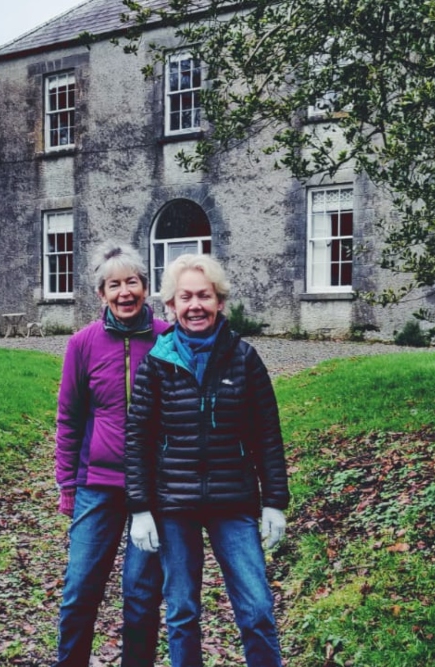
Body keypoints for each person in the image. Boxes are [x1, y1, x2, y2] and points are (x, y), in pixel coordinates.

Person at [124, 253, 290, 667]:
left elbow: (266, 435)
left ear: (219, 302)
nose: (195, 305)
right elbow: (138, 439)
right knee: (182, 613)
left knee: (257, 610)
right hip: (173, 505)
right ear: (171, 305)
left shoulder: (245, 359)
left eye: (204, 295)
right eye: (186, 297)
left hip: (233, 502)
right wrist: (140, 507)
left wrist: (274, 502)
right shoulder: (157, 364)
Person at [54, 242, 171, 667]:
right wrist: (67, 483)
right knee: (80, 591)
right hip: (97, 486)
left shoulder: (167, 339)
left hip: (154, 489)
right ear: (100, 294)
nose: (125, 292)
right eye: (114, 285)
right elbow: (69, 418)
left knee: (142, 597)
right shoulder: (82, 344)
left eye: (133, 282)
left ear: (146, 288)